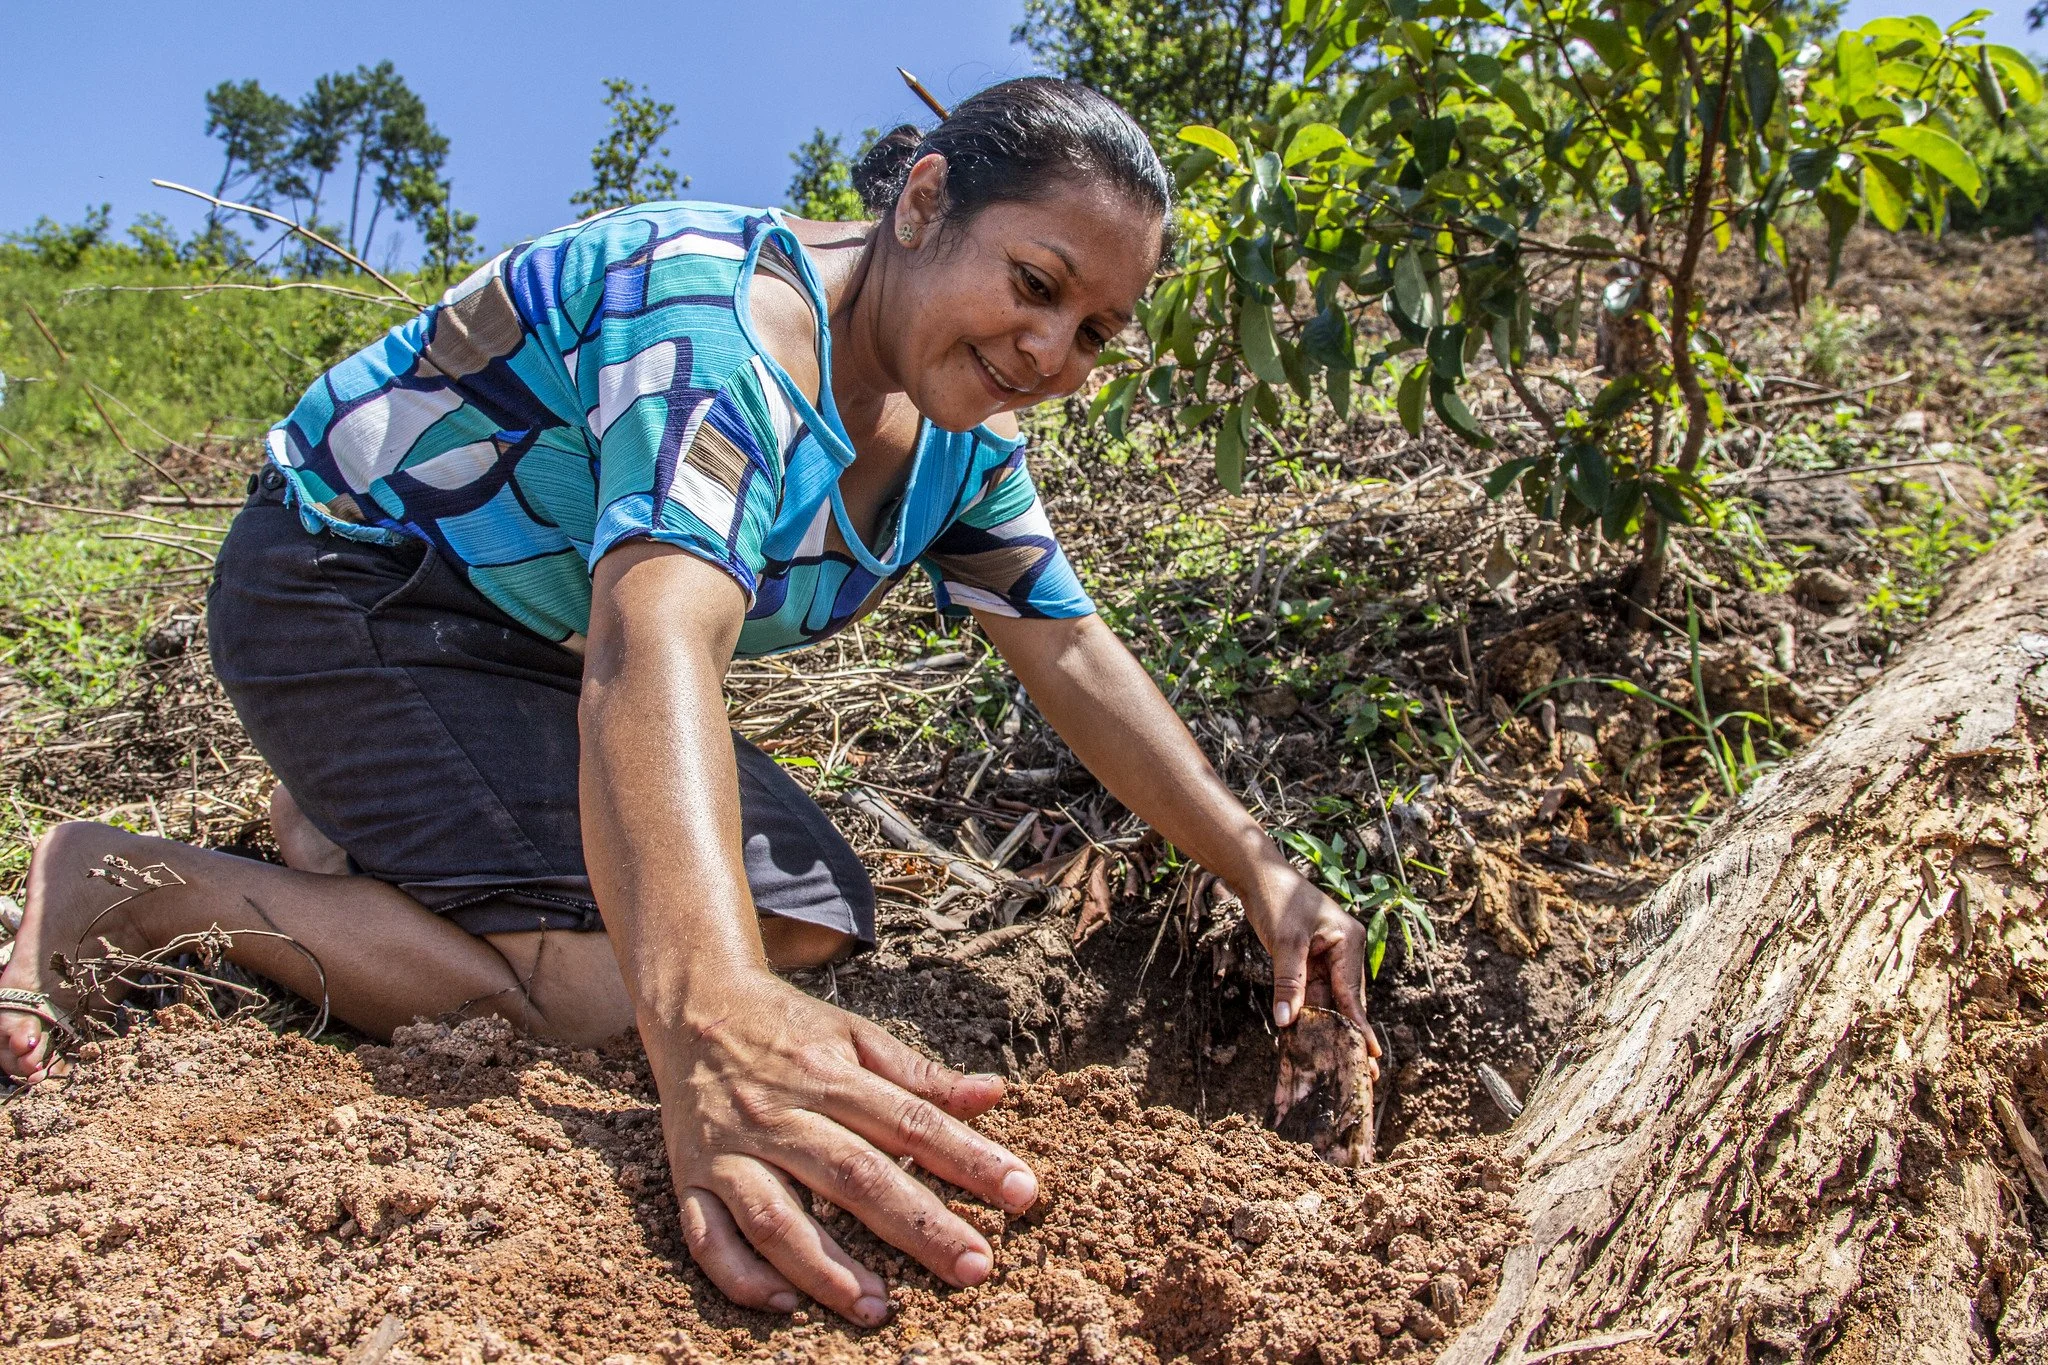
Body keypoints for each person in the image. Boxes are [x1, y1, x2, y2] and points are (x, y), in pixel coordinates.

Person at [0, 77, 1378, 1325]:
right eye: (1034, 281)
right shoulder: (719, 323)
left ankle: (357, 816)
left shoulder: (957, 439)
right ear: (921, 201)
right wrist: (704, 1019)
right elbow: (649, 641)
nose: (1047, 347)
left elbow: (1067, 651)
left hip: (525, 648)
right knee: (615, 988)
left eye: (1094, 331)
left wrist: (1265, 877)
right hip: (351, 592)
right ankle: (146, 888)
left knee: (806, 913)